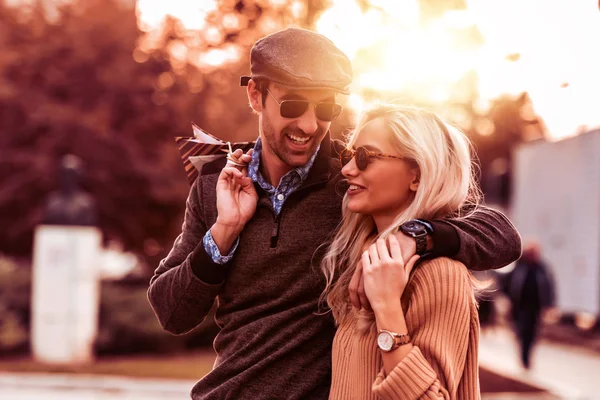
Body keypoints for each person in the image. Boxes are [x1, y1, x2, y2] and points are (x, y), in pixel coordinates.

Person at [147, 27, 522, 400]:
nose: (309, 125)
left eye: (325, 107)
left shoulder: (354, 180)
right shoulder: (217, 181)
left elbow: (501, 235)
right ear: (256, 95)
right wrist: (224, 231)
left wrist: (414, 236)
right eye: (293, 104)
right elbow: (172, 312)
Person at [324, 105, 483, 399]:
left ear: (417, 176)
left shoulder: (440, 274)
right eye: (349, 156)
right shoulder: (365, 259)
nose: (347, 169)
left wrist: (386, 305)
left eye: (365, 157)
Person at [503, 241, 555, 369]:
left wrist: (549, 304)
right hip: (520, 306)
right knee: (522, 331)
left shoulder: (542, 268)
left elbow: (549, 286)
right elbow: (506, 283)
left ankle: (527, 357)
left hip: (535, 307)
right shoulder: (519, 267)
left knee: (532, 333)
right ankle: (524, 356)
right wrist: (507, 298)